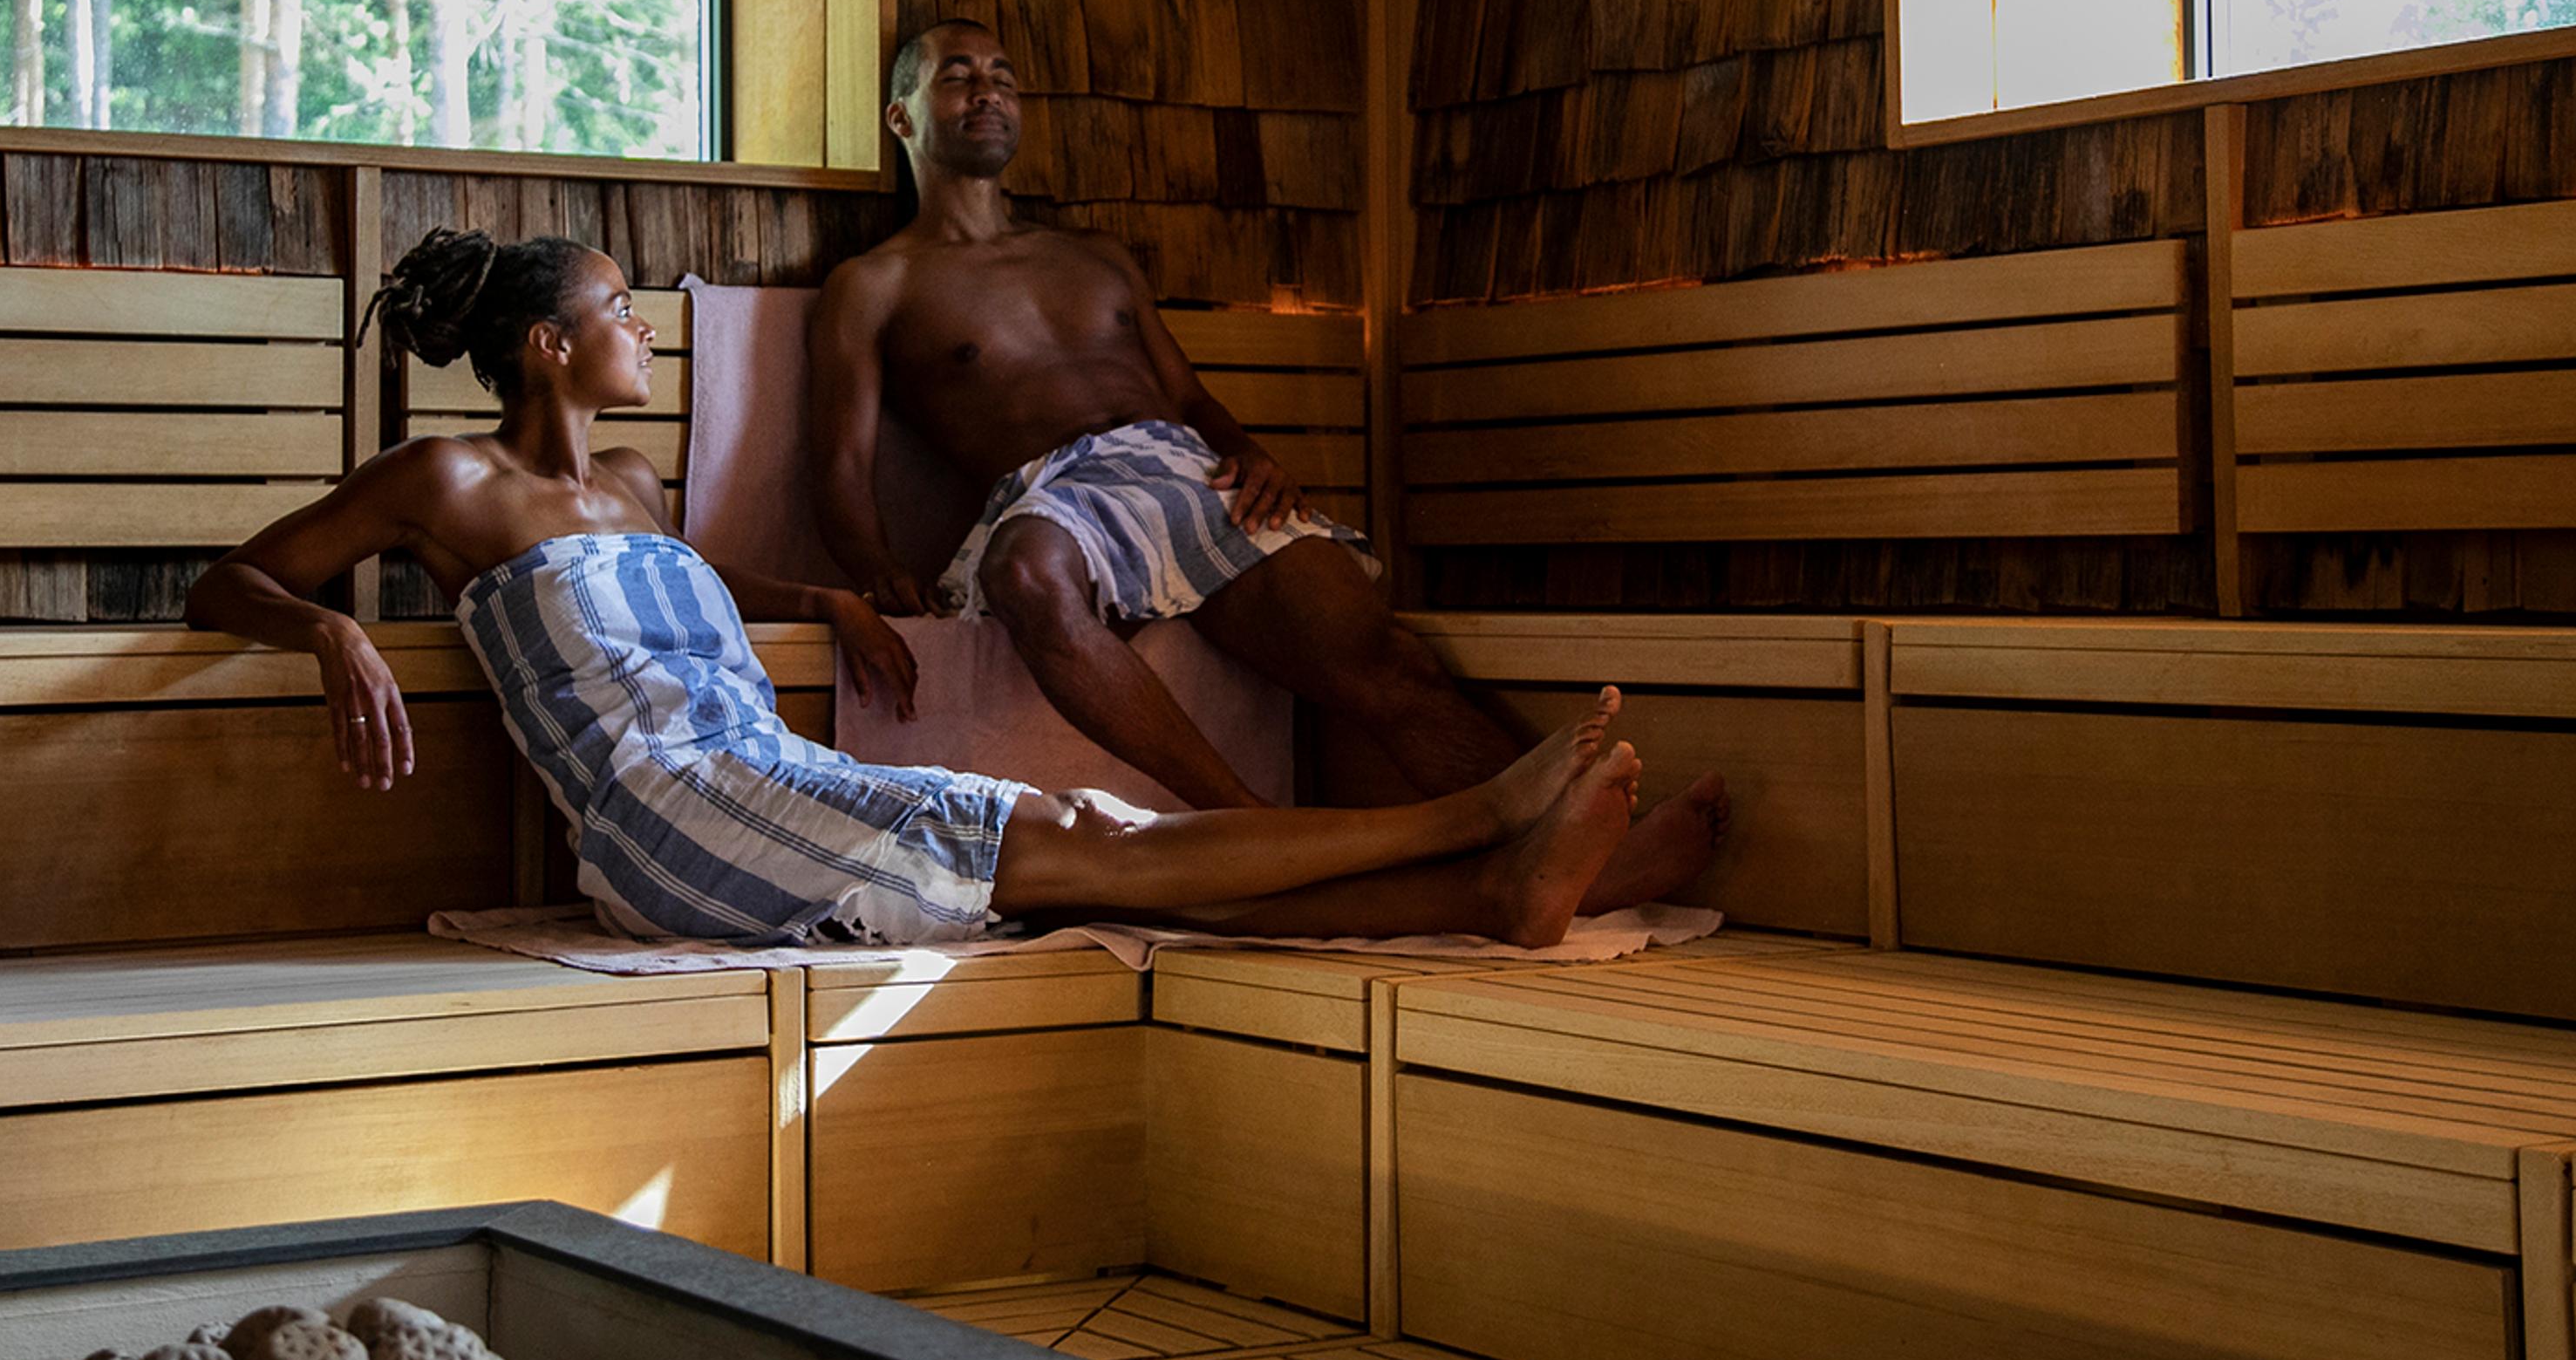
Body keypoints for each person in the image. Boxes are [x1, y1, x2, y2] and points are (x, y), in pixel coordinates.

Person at [187, 229, 1645, 948]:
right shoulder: (445, 487)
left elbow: (700, 576)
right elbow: (229, 580)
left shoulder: (629, 484)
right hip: (663, 814)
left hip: (758, 770)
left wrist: (813, 600)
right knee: (1070, 837)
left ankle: (1484, 887)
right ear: (546, 347)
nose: (641, 327)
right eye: (620, 310)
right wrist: (328, 628)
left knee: (1078, 857)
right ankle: (1475, 818)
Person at [811, 19, 1727, 910]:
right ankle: (1250, 830)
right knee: (1024, 569)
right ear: (902, 119)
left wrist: (1248, 453)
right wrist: (875, 572)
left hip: (1184, 468)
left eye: (1004, 75)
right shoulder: (876, 284)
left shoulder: (1093, 259)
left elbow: (1189, 396)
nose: (990, 90)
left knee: (1381, 656)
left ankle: (1585, 861)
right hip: (1054, 491)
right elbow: (841, 466)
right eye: (958, 75)